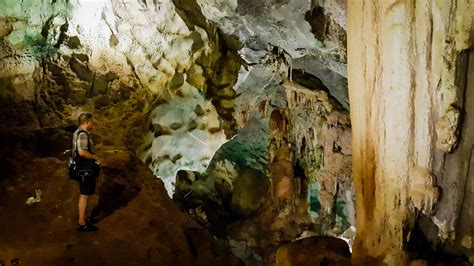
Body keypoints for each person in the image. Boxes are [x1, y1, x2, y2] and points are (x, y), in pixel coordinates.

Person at [72, 113, 103, 232]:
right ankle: (81, 223)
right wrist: (95, 158)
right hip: (84, 169)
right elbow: (82, 152)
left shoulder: (77, 132)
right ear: (87, 122)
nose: (93, 123)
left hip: (82, 169)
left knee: (85, 194)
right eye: (92, 121)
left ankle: (83, 219)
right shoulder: (83, 134)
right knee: (84, 195)